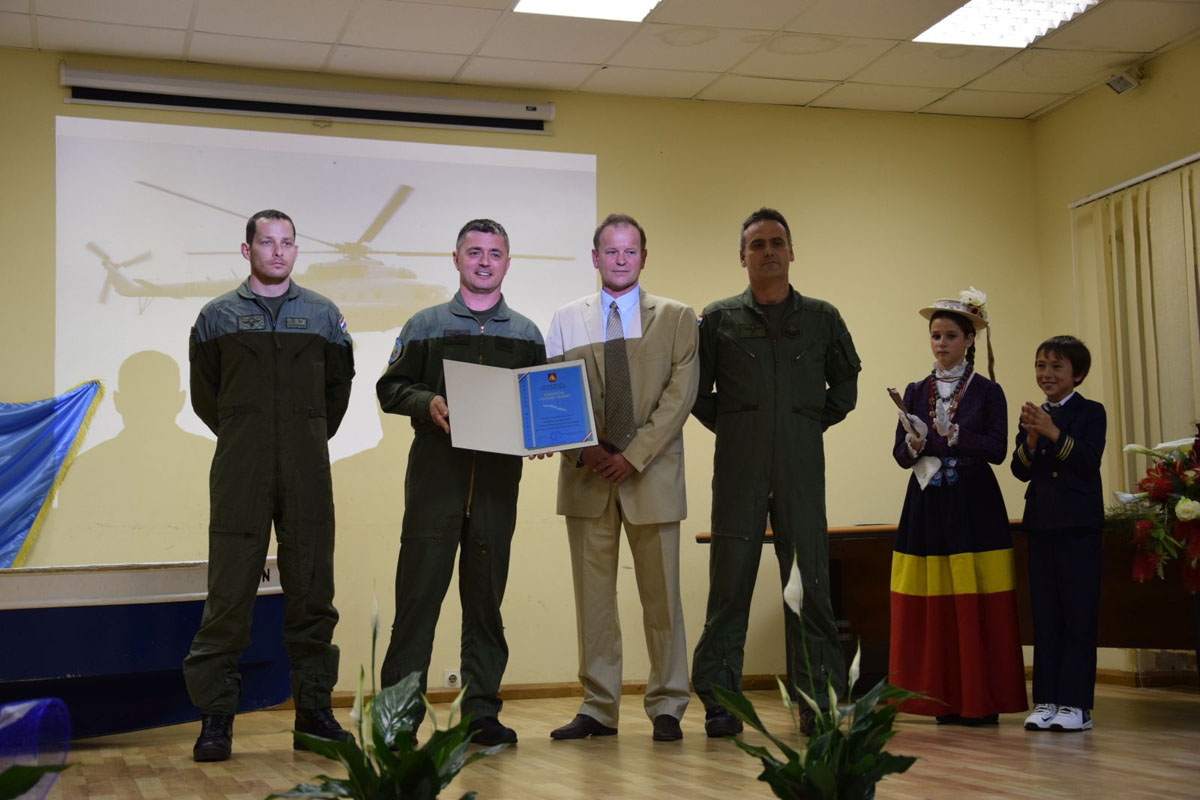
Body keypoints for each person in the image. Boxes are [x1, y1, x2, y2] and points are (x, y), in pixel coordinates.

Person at [184, 210, 355, 762]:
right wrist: (248, 433)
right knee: (228, 597)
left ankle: (313, 714)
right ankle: (216, 719)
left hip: (307, 469)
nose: (277, 251)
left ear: (295, 250)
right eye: (267, 242)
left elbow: (338, 391)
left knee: (313, 594)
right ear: (247, 250)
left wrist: (304, 434)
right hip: (241, 469)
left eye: (286, 243)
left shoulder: (324, 315)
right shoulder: (216, 317)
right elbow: (207, 398)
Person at [691, 207, 861, 738]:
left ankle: (818, 702)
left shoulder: (823, 318)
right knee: (730, 583)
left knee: (809, 583)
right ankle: (722, 703)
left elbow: (846, 386)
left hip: (800, 465)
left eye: (776, 242)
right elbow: (695, 392)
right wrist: (738, 425)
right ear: (742, 256)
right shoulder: (718, 319)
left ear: (791, 251)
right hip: (738, 465)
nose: (768, 251)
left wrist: (803, 424)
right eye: (757, 244)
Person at [377, 219, 545, 746]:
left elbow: (540, 404)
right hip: (435, 482)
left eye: (494, 253)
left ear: (507, 262)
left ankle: (481, 714)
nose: (484, 262)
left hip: (497, 486)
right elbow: (390, 388)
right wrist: (425, 401)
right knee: (417, 604)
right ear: (456, 260)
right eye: (474, 252)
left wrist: (544, 434)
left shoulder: (527, 334)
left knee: (486, 606)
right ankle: (398, 721)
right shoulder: (424, 324)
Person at [544, 214, 698, 742]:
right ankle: (598, 707)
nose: (620, 259)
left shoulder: (677, 318)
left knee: (662, 599)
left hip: (651, 477)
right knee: (593, 601)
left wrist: (632, 456)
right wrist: (584, 449)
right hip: (587, 477)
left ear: (644, 257)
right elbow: (552, 393)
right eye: (611, 251)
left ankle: (668, 704)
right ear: (595, 257)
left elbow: (680, 397)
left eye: (630, 251)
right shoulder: (566, 318)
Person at [889, 288, 1027, 724]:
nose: (941, 343)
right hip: (927, 503)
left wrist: (957, 438)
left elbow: (998, 449)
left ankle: (980, 698)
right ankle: (941, 696)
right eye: (936, 335)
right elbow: (900, 455)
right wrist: (914, 445)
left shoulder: (988, 391)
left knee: (979, 597)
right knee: (935, 599)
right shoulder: (915, 391)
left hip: (974, 502)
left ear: (969, 339)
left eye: (950, 335)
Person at [1011, 335, 1106, 732]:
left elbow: (1087, 461)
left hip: (1079, 525)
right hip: (1041, 524)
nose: (1046, 374)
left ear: (1077, 374)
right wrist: (1032, 438)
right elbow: (1020, 470)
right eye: (1040, 366)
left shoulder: (1091, 412)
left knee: (1077, 613)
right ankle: (1046, 700)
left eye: (1056, 366)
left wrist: (1052, 432)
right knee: (1045, 614)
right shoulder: (1033, 414)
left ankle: (1076, 704)